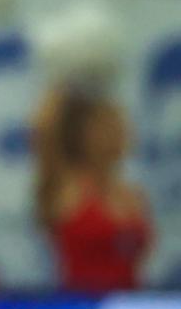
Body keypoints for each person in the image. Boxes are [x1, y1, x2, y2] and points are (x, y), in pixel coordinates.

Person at [36, 87, 152, 292]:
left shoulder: (132, 194)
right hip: (80, 305)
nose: (116, 133)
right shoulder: (67, 189)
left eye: (119, 126)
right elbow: (42, 133)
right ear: (84, 135)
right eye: (106, 127)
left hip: (128, 305)